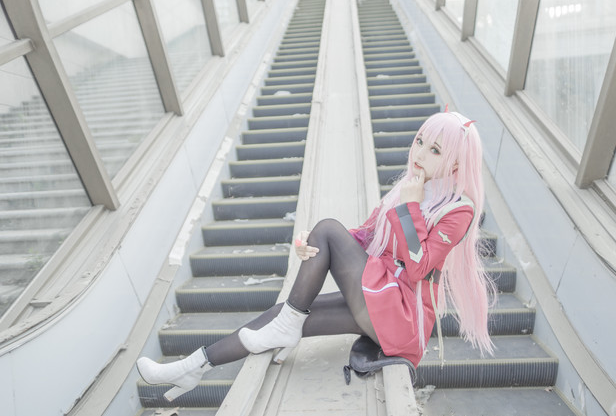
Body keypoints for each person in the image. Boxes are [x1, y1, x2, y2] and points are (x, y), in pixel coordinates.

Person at [136, 111, 496, 401]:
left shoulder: (458, 209)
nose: (419, 154)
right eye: (420, 141)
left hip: (402, 317)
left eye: (435, 150)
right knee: (283, 313)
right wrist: (311, 245)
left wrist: (410, 207)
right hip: (379, 298)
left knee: (325, 234)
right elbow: (366, 236)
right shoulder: (412, 185)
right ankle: (192, 368)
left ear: (455, 164)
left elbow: (418, 268)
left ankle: (287, 323)